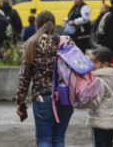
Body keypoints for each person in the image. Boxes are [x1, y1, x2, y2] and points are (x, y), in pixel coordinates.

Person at [16, 11, 74, 147]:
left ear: (36, 25)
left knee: (44, 140)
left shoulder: (31, 44)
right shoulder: (67, 41)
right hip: (66, 97)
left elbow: (24, 76)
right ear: (54, 25)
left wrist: (20, 101)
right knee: (59, 140)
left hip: (42, 97)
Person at [87, 47, 113, 147]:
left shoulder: (99, 80)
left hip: (100, 120)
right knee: (108, 143)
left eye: (95, 62)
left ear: (105, 64)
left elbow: (95, 103)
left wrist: (86, 98)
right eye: (91, 61)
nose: (91, 64)